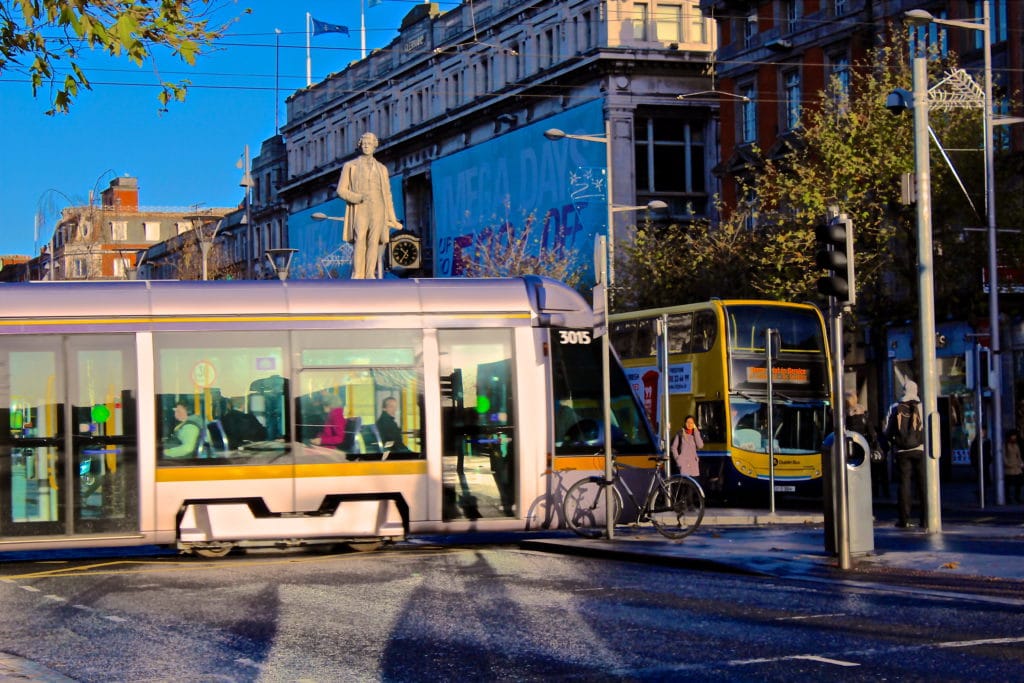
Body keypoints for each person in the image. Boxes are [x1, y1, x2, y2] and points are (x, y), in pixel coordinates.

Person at [335, 132, 403, 279]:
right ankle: (358, 273)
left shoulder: (382, 168)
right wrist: (357, 197)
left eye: (369, 143)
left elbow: (387, 195)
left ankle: (370, 273)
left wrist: (392, 218)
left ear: (374, 146)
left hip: (378, 207)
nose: (366, 145)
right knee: (360, 238)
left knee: (374, 241)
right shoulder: (350, 166)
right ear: (360, 146)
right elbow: (340, 190)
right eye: (364, 143)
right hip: (361, 206)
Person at [884, 380, 926, 528]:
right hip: (920, 449)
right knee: (923, 484)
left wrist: (892, 444)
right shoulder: (922, 407)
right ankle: (925, 518)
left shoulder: (895, 407)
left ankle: (904, 519)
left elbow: (887, 431)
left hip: (901, 451)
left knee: (904, 484)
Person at [845, 390, 887, 499]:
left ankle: (854, 491)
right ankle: (874, 492)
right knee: (871, 471)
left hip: (850, 448)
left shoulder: (844, 415)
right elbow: (872, 432)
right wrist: (874, 443)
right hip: (864, 446)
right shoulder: (863, 413)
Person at [1003, 431, 1023, 504]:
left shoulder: (1016, 445)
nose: (1014, 437)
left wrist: (1021, 463)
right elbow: (1004, 456)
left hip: (1017, 467)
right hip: (1009, 468)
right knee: (1008, 484)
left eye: (1015, 436)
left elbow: (1019, 455)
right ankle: (1008, 498)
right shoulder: (1005, 445)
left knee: (1019, 483)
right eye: (1012, 436)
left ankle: (1017, 497)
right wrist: (1007, 464)